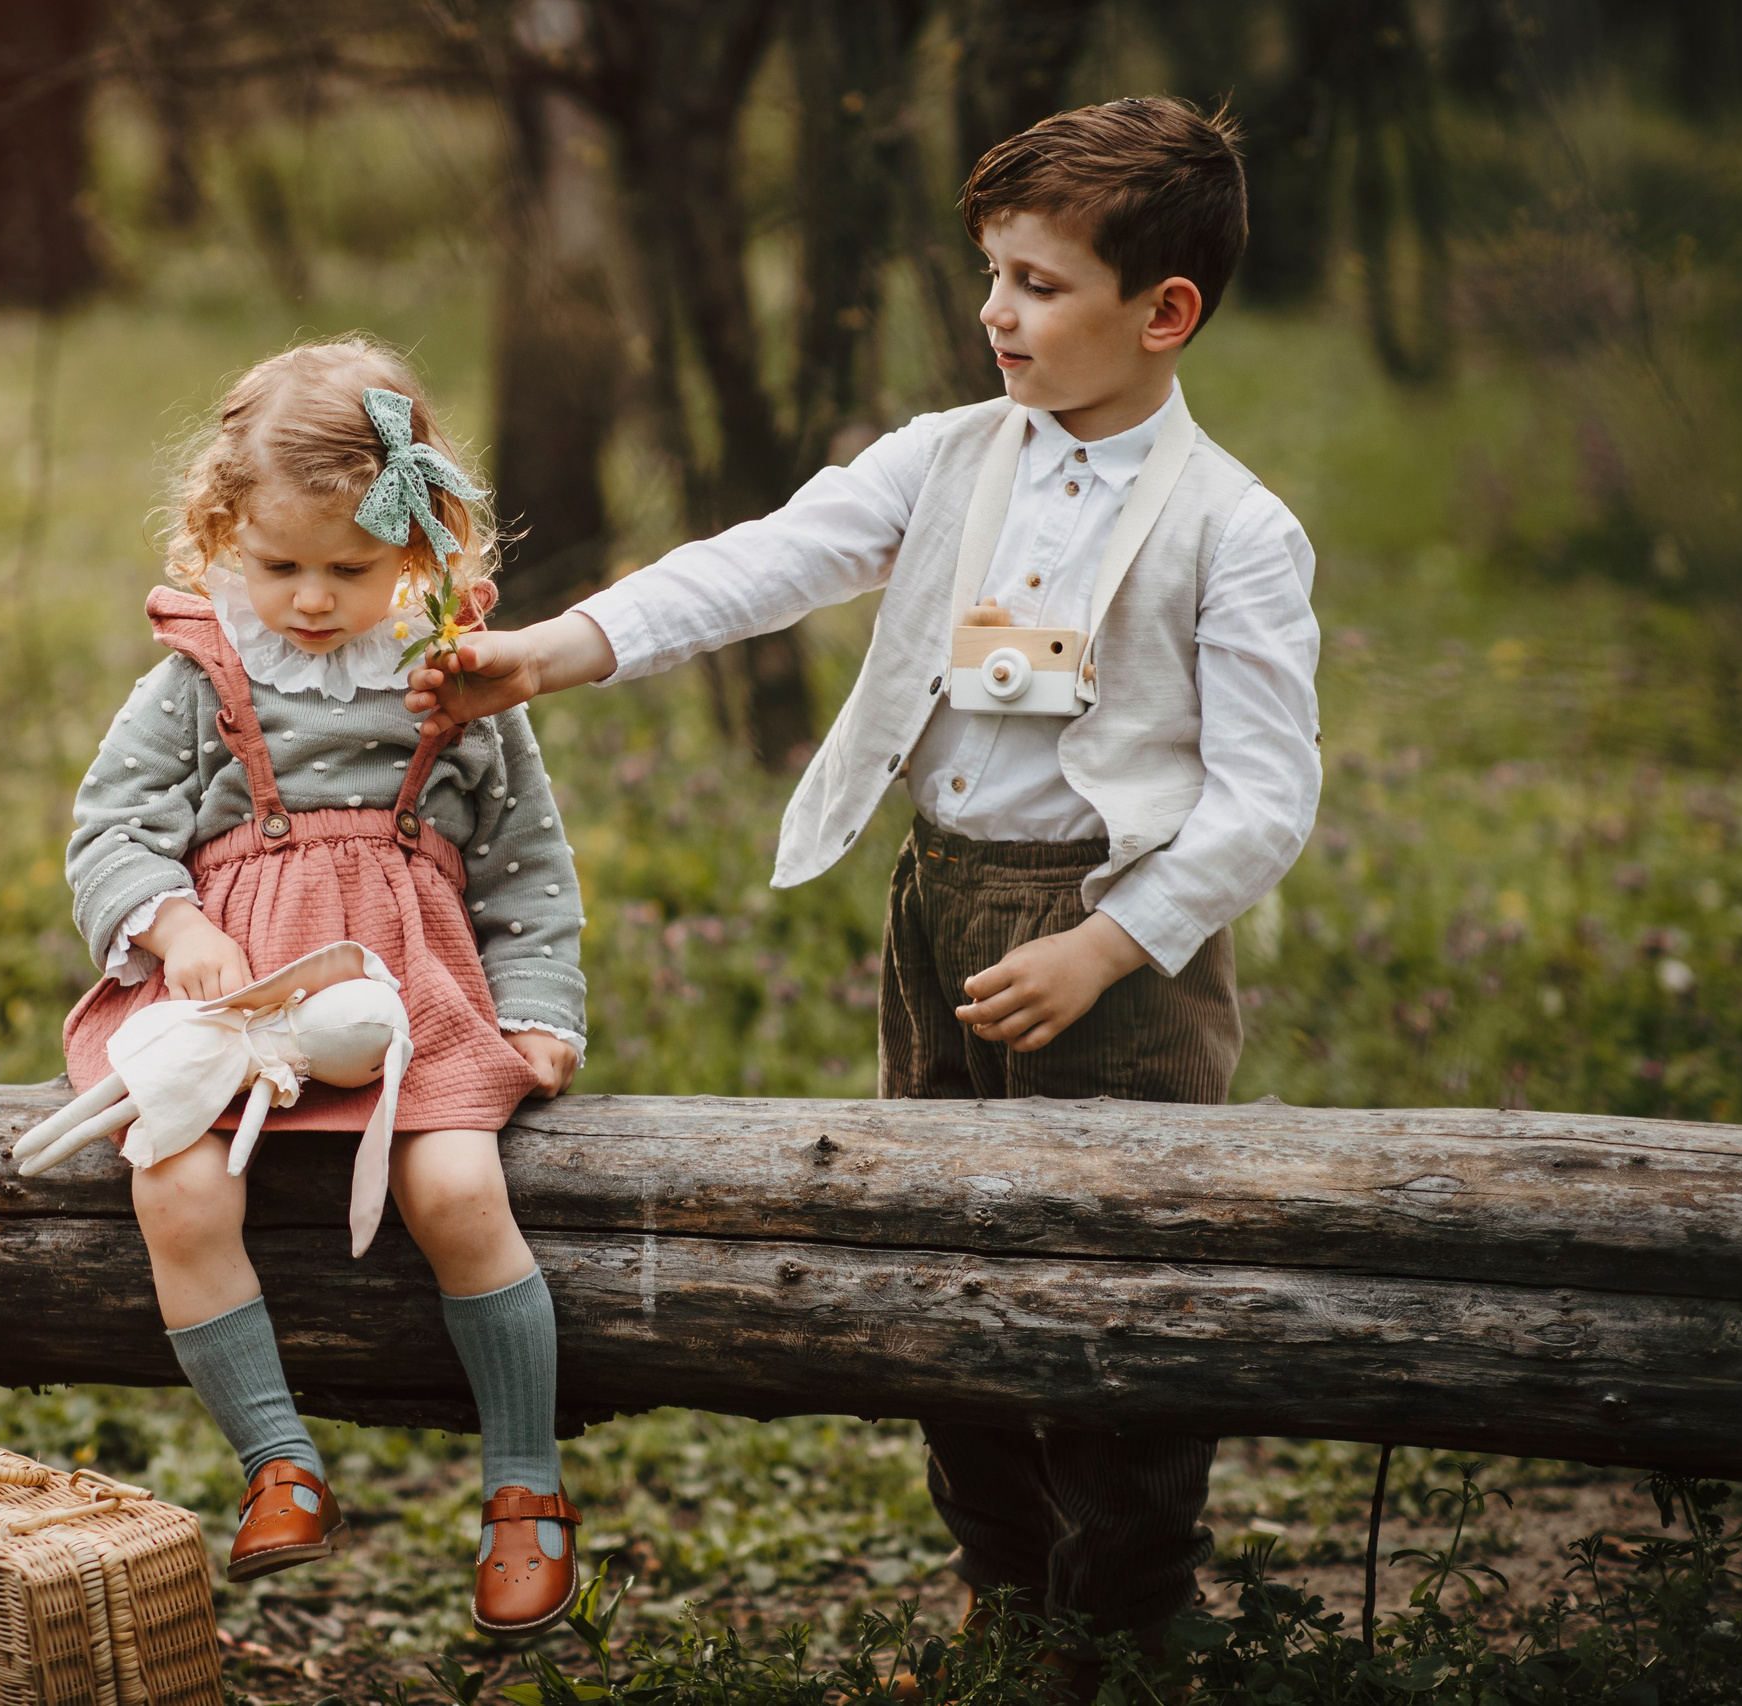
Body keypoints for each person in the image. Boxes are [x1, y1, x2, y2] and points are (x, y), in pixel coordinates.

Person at [408, 98, 1321, 1647]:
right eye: (993, 273)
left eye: (1039, 282)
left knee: (1113, 1279)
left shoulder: (1239, 529)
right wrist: (552, 652)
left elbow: (1267, 796)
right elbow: (764, 558)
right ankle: (1007, 1584)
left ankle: (1129, 1611)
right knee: (940, 1254)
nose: (995, 310)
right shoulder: (947, 458)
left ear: (1165, 313)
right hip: (943, 910)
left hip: (1112, 948)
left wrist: (1113, 943)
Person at [62, 338, 593, 1639]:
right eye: (279, 564)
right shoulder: (200, 677)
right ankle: (277, 1461)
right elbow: (110, 829)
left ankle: (524, 1483)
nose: (310, 599)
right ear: (223, 531)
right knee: (172, 1178)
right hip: (241, 999)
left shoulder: (460, 680)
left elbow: (527, 865)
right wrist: (176, 923)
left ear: (418, 548)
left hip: (408, 999)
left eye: (351, 570)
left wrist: (541, 1006)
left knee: (458, 1187)